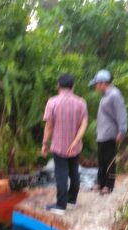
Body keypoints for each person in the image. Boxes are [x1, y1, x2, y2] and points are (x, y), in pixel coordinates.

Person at [41, 74, 88, 215]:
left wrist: (44, 143)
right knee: (74, 171)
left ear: (58, 86)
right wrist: (75, 141)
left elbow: (49, 126)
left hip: (59, 146)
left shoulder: (52, 102)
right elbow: (84, 124)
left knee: (61, 173)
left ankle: (61, 206)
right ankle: (71, 200)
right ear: (73, 86)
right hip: (75, 147)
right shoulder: (81, 102)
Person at [89, 69, 128, 194]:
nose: (95, 87)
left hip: (110, 133)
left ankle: (109, 185)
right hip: (102, 133)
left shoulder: (115, 94)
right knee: (101, 159)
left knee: (110, 159)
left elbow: (121, 113)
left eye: (96, 84)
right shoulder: (105, 96)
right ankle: (100, 182)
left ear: (103, 83)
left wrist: (122, 130)